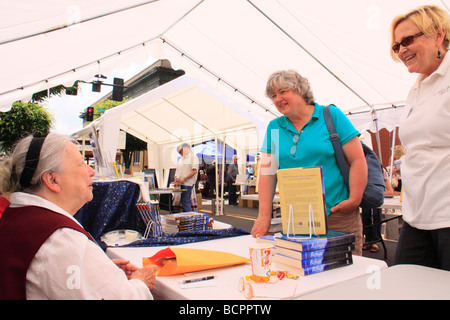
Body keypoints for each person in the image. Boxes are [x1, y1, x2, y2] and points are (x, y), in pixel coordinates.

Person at [0, 133, 157, 299]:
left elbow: (55, 276)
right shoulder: (60, 239)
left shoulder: (19, 217)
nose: (91, 171)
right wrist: (140, 282)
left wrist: (92, 272)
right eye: (81, 163)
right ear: (53, 180)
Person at [251, 70, 368, 255]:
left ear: (300, 90)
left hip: (338, 214)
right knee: (302, 273)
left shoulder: (331, 115)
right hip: (297, 219)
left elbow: (357, 160)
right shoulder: (274, 127)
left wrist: (354, 200)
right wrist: (264, 216)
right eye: (273, 95)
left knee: (346, 275)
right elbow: (267, 173)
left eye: (283, 92)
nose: (278, 99)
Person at [390, 5, 450, 270]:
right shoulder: (416, 89)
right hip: (417, 216)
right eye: (396, 46)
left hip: (447, 215)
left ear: (439, 35)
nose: (402, 50)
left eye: (408, 40)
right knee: (407, 288)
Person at [174, 143, 199, 212]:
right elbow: (178, 171)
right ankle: (187, 217)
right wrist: (177, 180)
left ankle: (189, 217)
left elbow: (194, 171)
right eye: (179, 152)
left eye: (181, 151)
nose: (180, 153)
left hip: (188, 183)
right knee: (183, 201)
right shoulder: (182, 159)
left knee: (185, 201)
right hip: (182, 183)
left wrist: (185, 179)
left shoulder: (193, 157)